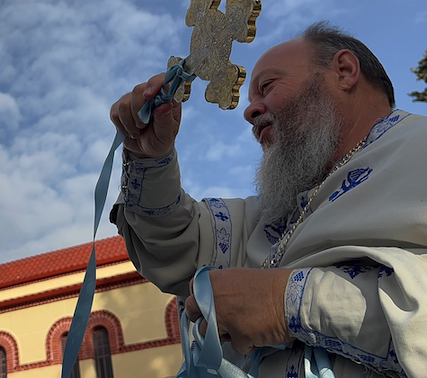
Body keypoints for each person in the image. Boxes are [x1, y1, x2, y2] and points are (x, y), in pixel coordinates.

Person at [109, 21, 427, 378]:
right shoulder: (270, 213)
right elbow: (173, 242)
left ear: (344, 71)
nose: (249, 112)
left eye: (267, 86)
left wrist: (287, 303)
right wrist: (149, 158)